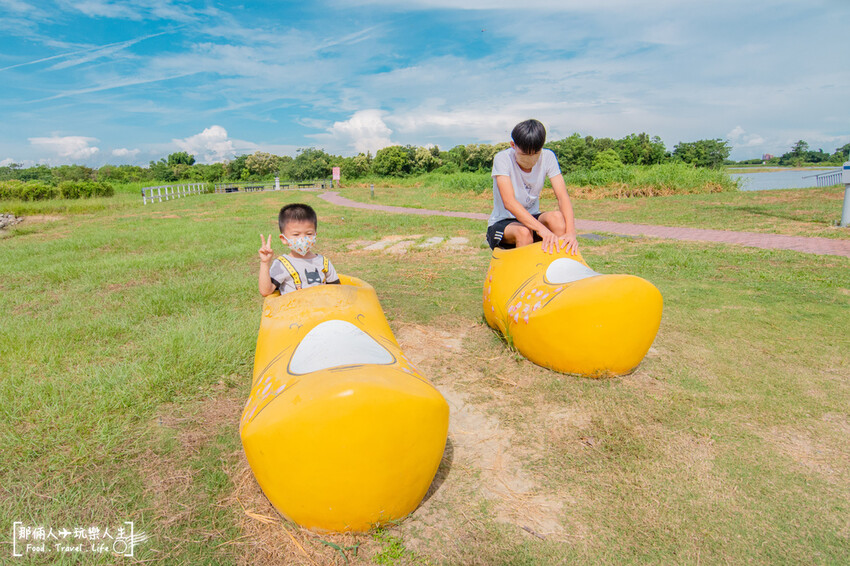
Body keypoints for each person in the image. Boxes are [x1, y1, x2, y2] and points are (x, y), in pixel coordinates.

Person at [486, 119, 579, 254]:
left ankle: (561, 262)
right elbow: (509, 202)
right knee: (524, 232)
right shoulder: (503, 158)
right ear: (513, 145)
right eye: (524, 154)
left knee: (557, 218)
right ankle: (523, 268)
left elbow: (562, 197)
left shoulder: (548, 157)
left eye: (535, 154)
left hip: (532, 217)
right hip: (504, 222)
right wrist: (543, 230)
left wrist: (570, 232)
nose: (530, 158)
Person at [258, 203, 340, 296]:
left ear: (315, 235)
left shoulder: (323, 262)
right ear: (284, 239)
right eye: (296, 235)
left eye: (309, 234)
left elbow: (337, 291)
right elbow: (265, 291)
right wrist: (265, 263)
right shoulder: (281, 265)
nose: (303, 239)